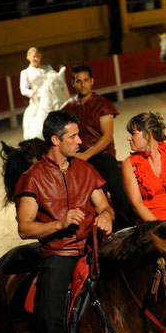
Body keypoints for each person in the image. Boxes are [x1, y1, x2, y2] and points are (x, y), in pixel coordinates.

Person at [15, 110, 114, 333]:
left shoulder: (85, 168)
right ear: (55, 140)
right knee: (49, 315)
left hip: (95, 246)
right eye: (73, 136)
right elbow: (25, 229)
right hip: (61, 253)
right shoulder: (33, 178)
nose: (80, 141)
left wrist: (106, 216)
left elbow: (105, 206)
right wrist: (59, 223)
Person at [61, 64, 132, 230]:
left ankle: (127, 226)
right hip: (75, 156)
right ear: (73, 83)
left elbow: (107, 137)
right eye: (78, 81)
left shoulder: (103, 104)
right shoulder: (67, 107)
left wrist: (86, 155)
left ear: (92, 81)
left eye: (86, 80)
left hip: (102, 155)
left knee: (117, 189)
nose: (82, 84)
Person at [20, 47, 54, 140]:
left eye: (38, 56)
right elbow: (23, 89)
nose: (36, 59)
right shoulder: (25, 72)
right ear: (28, 57)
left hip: (52, 98)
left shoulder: (48, 68)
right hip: (37, 101)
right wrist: (32, 92)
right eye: (34, 56)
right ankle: (29, 137)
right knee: (28, 117)